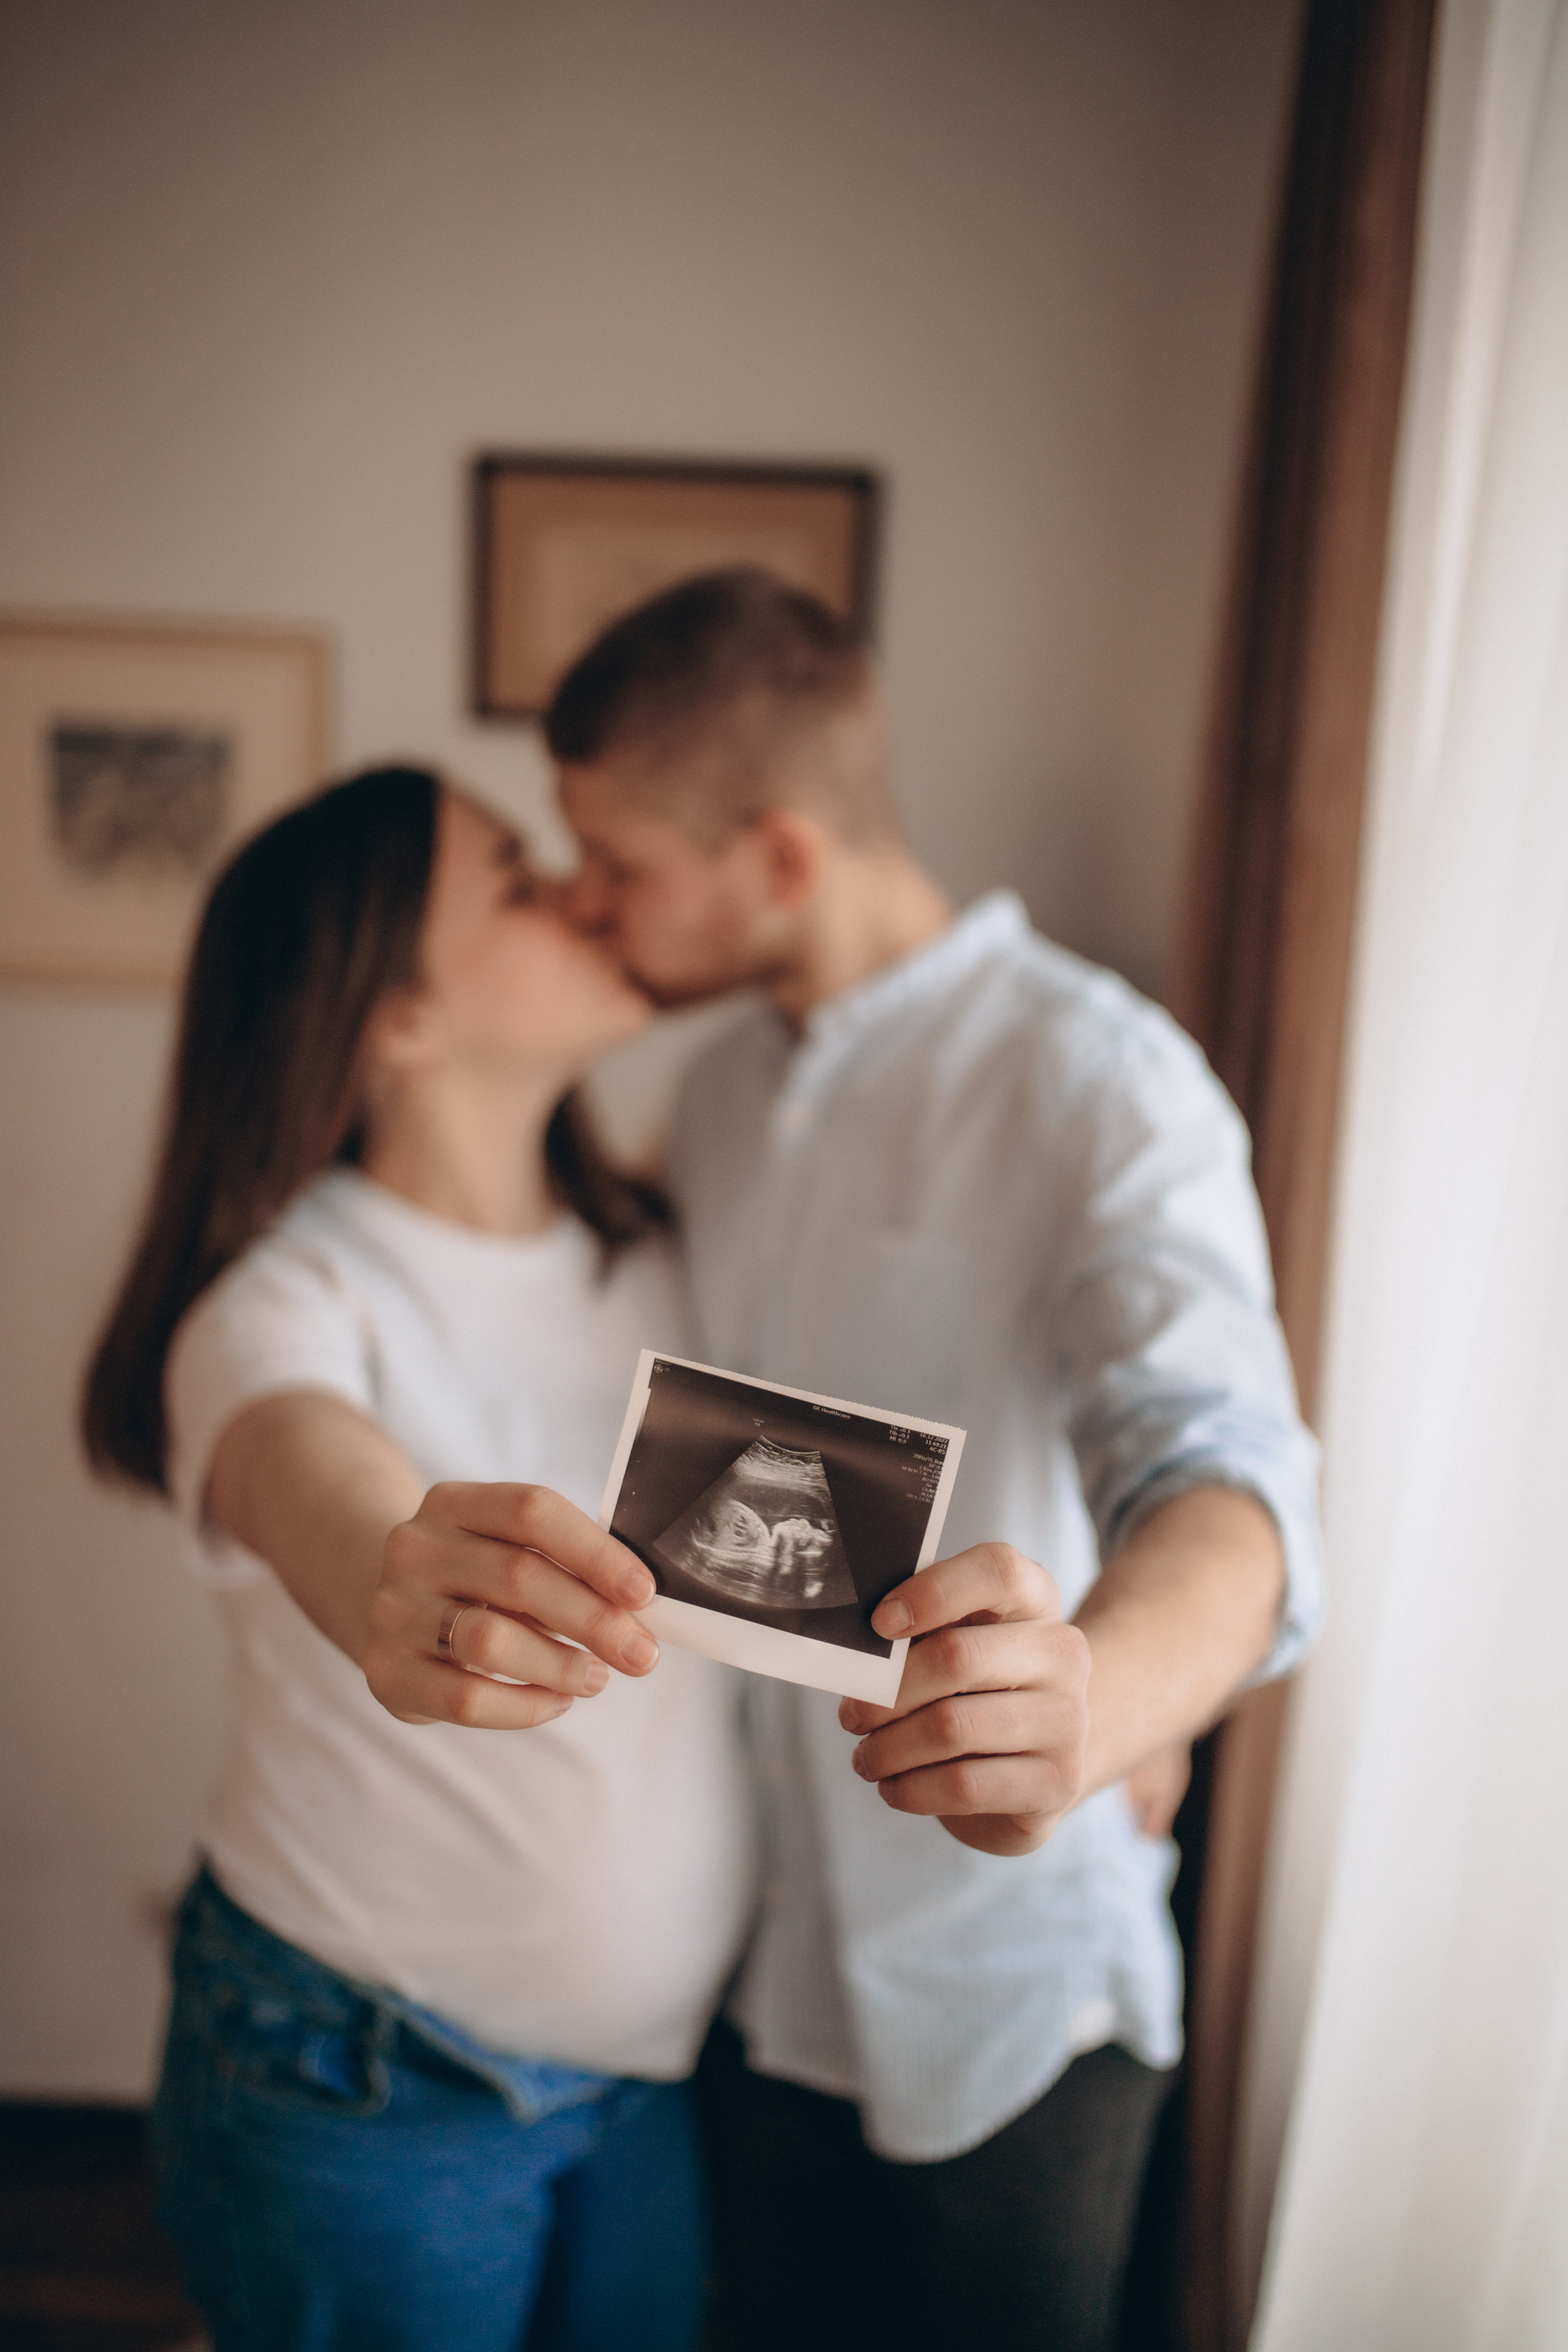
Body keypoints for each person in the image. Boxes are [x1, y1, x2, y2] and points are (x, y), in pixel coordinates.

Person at [547, 571, 1325, 2352]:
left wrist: (1126, 1699)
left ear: (785, 858)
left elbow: (1226, 1473)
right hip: (755, 1971)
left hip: (1008, 1989)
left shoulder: (1106, 1084)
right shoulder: (723, 1099)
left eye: (620, 863)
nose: (589, 903)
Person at [81, 766, 760, 2352]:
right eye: (521, 883)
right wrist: (400, 1567)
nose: (588, 894)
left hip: (642, 2085)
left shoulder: (660, 1253)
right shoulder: (280, 1300)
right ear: (394, 1018)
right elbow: (299, 1466)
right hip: (368, 2073)